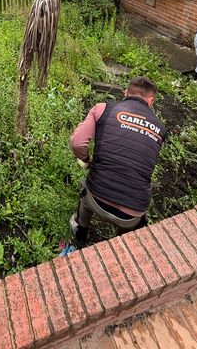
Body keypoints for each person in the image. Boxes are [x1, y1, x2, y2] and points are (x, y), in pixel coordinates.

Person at [69, 76, 166, 249]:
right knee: (131, 228)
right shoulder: (160, 129)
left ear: (125, 93)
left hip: (96, 201)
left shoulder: (103, 109)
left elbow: (77, 142)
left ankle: (80, 234)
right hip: (132, 215)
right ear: (151, 101)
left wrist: (86, 161)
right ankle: (120, 245)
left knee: (85, 195)